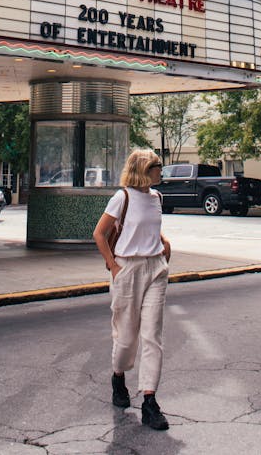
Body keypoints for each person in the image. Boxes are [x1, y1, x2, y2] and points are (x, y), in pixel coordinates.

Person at [93, 147, 172, 431]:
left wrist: (163, 243)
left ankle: (150, 400)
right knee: (126, 338)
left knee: (152, 335)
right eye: (157, 165)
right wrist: (113, 267)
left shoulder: (157, 197)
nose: (161, 170)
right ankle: (118, 376)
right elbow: (99, 234)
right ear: (144, 168)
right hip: (127, 270)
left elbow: (151, 228)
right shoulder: (122, 197)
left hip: (155, 270)